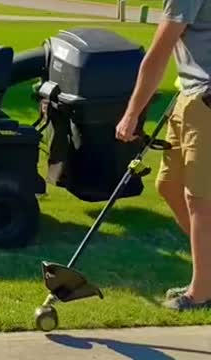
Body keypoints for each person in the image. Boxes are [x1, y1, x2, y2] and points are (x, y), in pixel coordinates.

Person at [116, 0, 211, 310]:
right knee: (168, 184)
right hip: (189, 93)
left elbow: (158, 54)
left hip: (205, 100)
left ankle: (201, 293)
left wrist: (131, 114)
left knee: (200, 199)